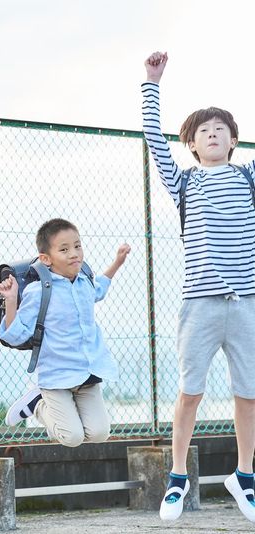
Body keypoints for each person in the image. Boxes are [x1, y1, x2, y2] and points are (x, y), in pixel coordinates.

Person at [142, 51, 255, 523]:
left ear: (233, 140)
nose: (213, 133)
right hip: (201, 303)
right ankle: (177, 477)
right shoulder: (185, 182)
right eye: (203, 130)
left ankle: (245, 477)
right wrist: (152, 82)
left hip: (247, 303)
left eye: (221, 129)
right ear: (191, 143)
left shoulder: (248, 177)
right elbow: (152, 137)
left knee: (248, 394)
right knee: (190, 392)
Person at [0, 219, 129, 449]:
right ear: (46, 259)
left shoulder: (84, 283)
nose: (74, 254)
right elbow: (15, 335)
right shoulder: (39, 291)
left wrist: (117, 262)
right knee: (72, 437)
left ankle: (49, 405)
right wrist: (11, 301)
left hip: (87, 373)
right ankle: (38, 404)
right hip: (56, 377)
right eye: (64, 249)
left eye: (77, 246)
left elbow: (100, 288)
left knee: (99, 433)